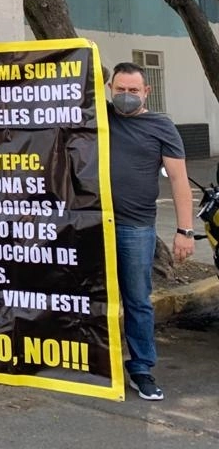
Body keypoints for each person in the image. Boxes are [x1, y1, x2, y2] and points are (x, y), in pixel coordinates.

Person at [107, 62, 195, 401]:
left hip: (135, 228)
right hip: (92, 224)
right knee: (89, 294)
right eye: (120, 90)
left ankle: (141, 367)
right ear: (110, 89)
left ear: (147, 92)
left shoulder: (161, 126)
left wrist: (185, 231)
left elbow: (178, 180)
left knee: (137, 299)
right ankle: (95, 361)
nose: (126, 97)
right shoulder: (99, 117)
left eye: (133, 91)